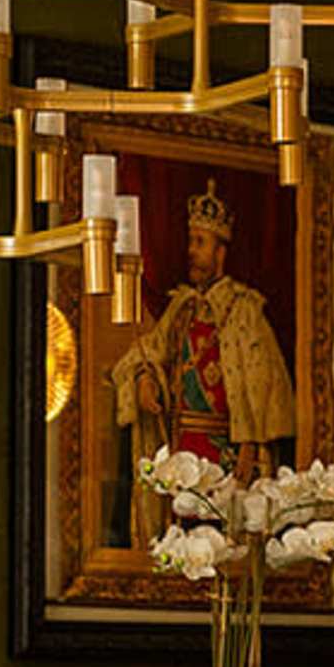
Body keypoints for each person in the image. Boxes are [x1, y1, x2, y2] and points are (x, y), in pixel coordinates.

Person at [112, 176, 297, 543]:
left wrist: (248, 447)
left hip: (226, 452)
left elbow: (263, 388)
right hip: (183, 449)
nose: (191, 251)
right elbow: (147, 351)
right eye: (190, 242)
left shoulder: (245, 310)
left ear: (220, 251)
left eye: (200, 242)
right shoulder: (181, 306)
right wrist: (144, 378)